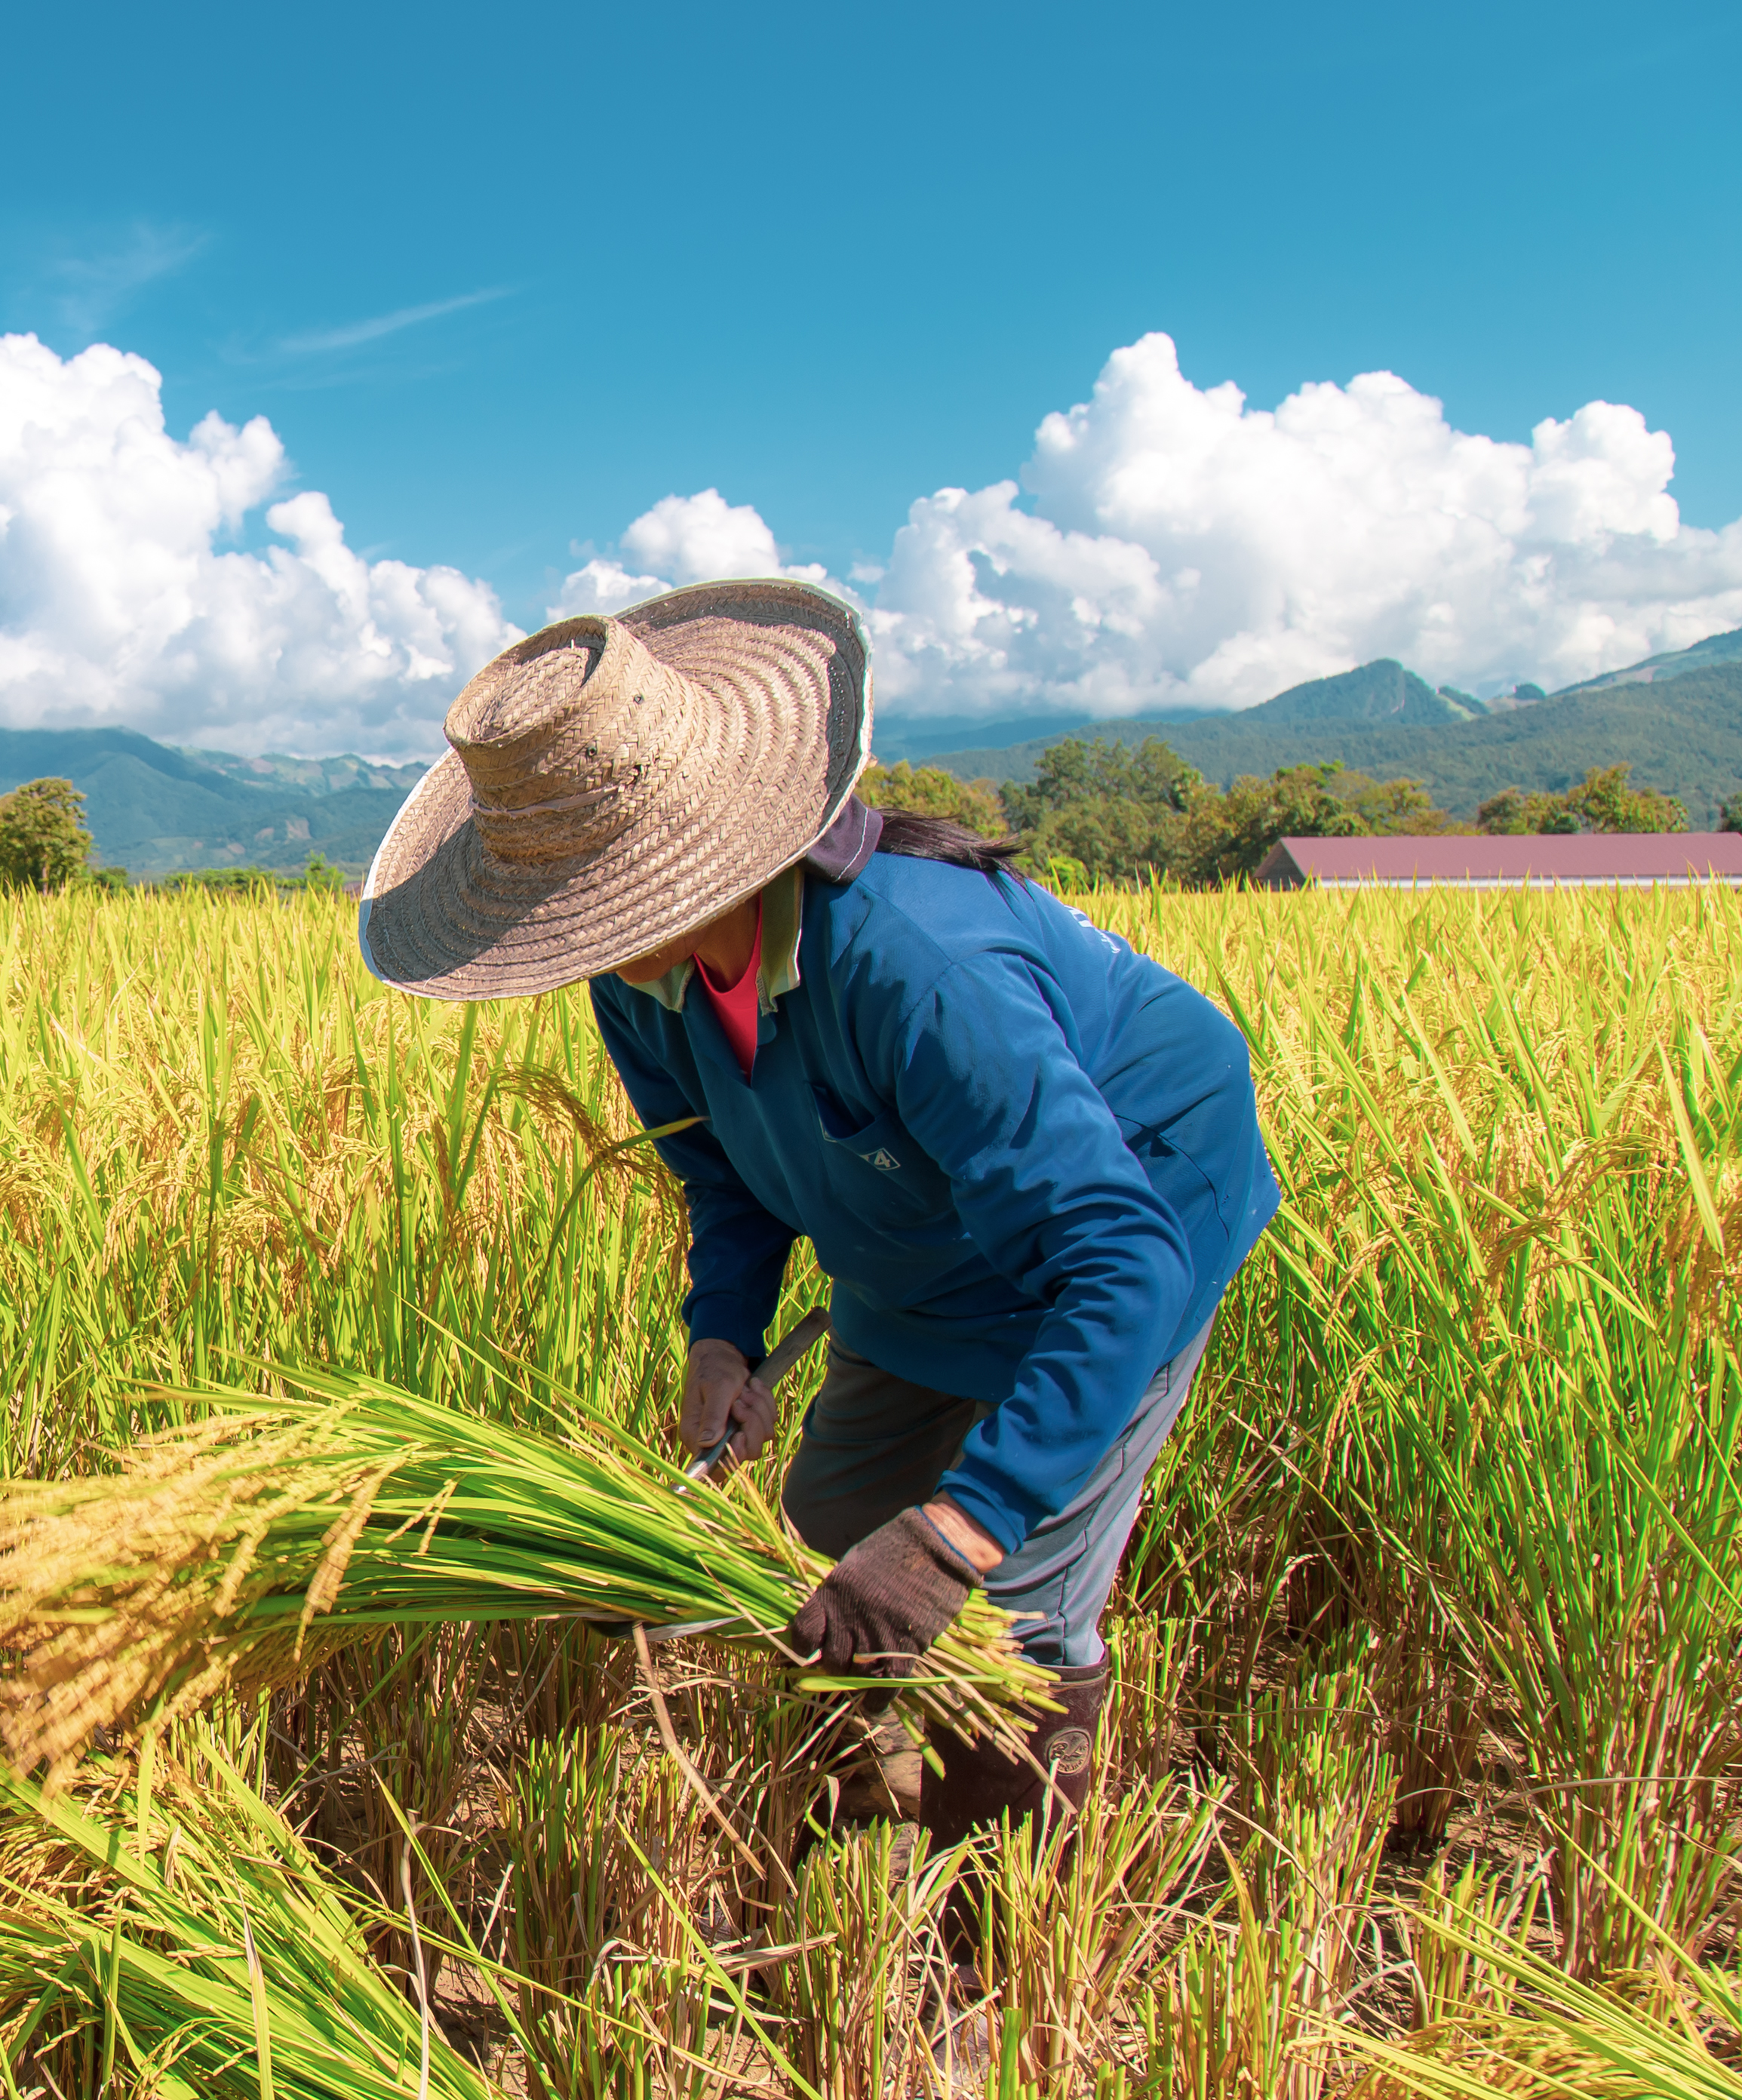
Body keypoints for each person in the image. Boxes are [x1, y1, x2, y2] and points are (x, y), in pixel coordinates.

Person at [352, 581, 1277, 1855]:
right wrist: (721, 1339)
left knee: (1002, 1604)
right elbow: (722, 1174)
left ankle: (988, 1939)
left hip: (1135, 1202)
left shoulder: (914, 970)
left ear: (701, 856)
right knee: (831, 1532)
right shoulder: (640, 974)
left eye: (593, 904)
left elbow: (1116, 1264)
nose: (578, 945)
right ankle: (860, 1831)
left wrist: (959, 1534)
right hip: (910, 1227)